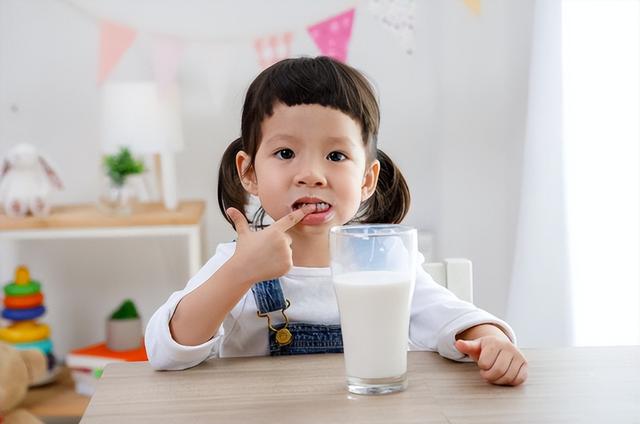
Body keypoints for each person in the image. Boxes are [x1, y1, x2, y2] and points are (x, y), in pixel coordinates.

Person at [145, 56, 528, 386]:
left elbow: (446, 317)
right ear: (249, 174)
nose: (311, 174)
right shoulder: (238, 262)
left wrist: (489, 337)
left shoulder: (385, 258)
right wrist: (239, 273)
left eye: (336, 156)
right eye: (285, 152)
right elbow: (165, 351)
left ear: (366, 180)